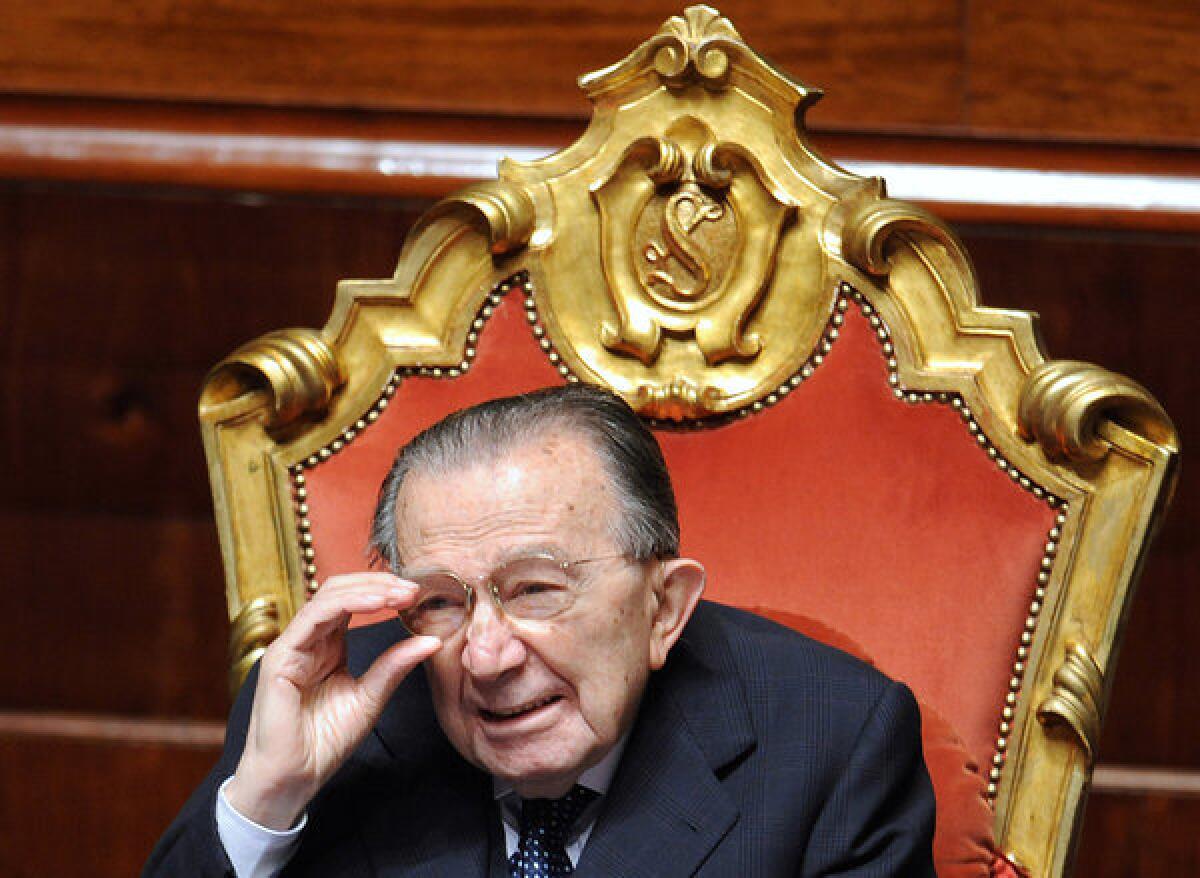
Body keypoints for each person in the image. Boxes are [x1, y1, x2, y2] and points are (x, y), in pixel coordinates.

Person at [145, 384, 936, 877]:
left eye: (535, 589)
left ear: (664, 609)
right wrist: (266, 803)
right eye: (443, 602)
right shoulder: (328, 720)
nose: (486, 657)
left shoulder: (832, 743)